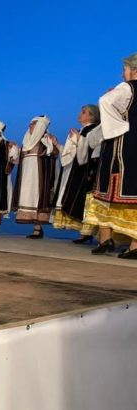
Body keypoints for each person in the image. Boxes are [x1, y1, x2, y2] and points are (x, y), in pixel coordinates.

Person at [84, 53, 137, 258]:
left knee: (110, 191)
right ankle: (111, 240)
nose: (122, 74)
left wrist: (117, 125)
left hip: (122, 147)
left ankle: (112, 241)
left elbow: (105, 101)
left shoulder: (127, 87)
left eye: (125, 70)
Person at [52, 105, 102, 242]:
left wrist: (80, 139)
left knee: (84, 201)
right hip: (75, 170)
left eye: (84, 112)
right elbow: (71, 155)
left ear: (92, 116)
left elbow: (90, 150)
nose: (80, 114)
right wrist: (57, 144)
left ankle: (87, 233)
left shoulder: (93, 130)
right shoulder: (82, 130)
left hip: (85, 171)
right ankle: (83, 233)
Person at [12, 116, 61, 238]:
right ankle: (36, 228)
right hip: (26, 176)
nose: (30, 125)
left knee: (38, 199)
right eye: (30, 123)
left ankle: (37, 229)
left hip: (39, 176)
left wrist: (51, 145)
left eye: (34, 123)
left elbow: (54, 153)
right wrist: (14, 150)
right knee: (29, 199)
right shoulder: (26, 141)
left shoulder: (46, 139)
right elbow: (18, 160)